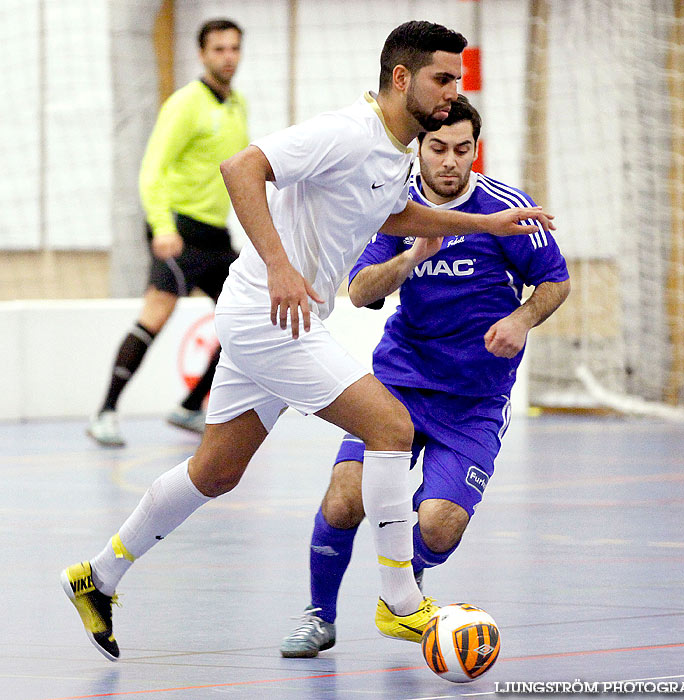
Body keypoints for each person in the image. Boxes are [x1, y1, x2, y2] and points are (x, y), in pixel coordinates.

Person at [62, 21, 556, 662]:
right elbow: (242, 168)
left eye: (457, 80)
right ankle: (401, 602)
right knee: (391, 426)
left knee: (214, 472)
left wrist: (483, 222)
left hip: (283, 322)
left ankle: (97, 577)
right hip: (269, 316)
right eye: (442, 78)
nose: (451, 90)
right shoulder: (347, 131)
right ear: (401, 79)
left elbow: (391, 215)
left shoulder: (396, 150)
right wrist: (278, 264)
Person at [278, 95, 570, 657]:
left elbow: (556, 279)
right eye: (438, 148)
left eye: (463, 149)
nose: (450, 161)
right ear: (419, 148)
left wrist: (522, 317)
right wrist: (412, 256)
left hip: (475, 398)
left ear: (474, 151)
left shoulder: (505, 209)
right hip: (400, 382)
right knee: (345, 498)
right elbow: (360, 291)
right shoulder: (394, 204)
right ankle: (319, 615)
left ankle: (400, 594)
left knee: (439, 525)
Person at [87, 18, 248, 447]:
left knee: (247, 317)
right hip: (178, 230)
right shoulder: (184, 104)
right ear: (202, 54)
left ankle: (190, 405)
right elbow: (152, 169)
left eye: (234, 48)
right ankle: (105, 412)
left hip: (216, 235)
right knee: (155, 316)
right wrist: (161, 227)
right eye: (218, 49)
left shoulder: (237, 106)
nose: (227, 57)